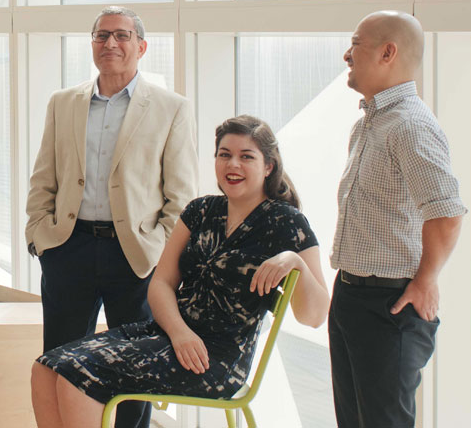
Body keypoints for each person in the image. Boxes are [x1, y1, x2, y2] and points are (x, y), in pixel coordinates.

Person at [31, 115, 330, 428]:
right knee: (46, 368)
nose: (233, 165)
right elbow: (161, 283)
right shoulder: (201, 210)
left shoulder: (287, 223)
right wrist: (179, 332)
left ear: (268, 166)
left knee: (79, 375)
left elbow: (315, 316)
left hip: (216, 357)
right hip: (168, 334)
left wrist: (294, 262)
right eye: (224, 154)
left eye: (246, 157)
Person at [24, 5, 198, 428]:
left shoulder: (171, 107)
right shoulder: (63, 103)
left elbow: (181, 196)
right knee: (62, 359)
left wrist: (158, 252)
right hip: (69, 247)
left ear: (141, 47)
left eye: (121, 36)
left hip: (136, 255)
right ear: (92, 45)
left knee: (135, 368)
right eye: (102, 36)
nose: (111, 44)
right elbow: (44, 176)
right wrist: (39, 237)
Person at [330, 10, 466, 428]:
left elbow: (445, 212)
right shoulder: (370, 124)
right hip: (351, 296)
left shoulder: (410, 125)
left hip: (389, 305)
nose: (345, 55)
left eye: (355, 44)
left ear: (388, 52)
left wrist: (425, 281)